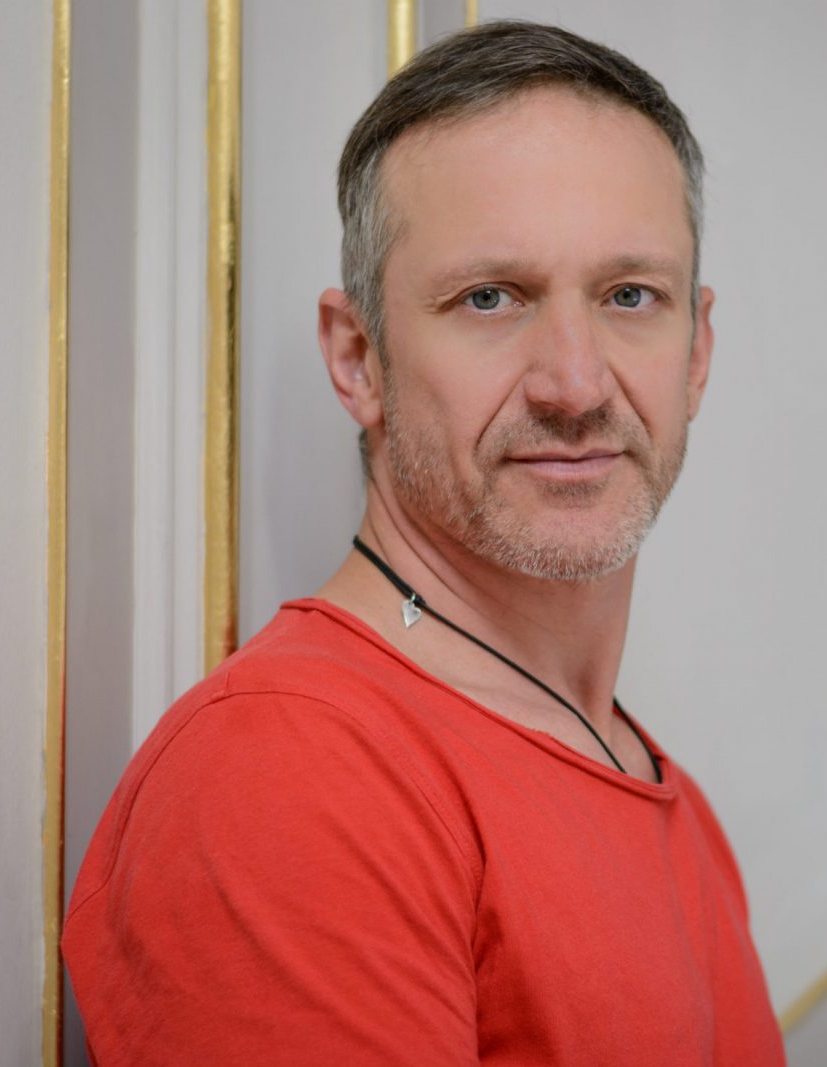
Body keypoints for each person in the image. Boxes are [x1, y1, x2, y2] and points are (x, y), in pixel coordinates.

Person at [62, 19, 785, 1066]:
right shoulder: (287, 773)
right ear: (358, 359)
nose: (576, 384)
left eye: (631, 296)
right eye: (489, 298)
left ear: (697, 351)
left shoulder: (668, 797)